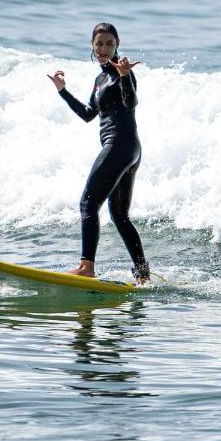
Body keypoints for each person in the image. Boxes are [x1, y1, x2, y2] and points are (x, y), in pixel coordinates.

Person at [48, 22, 150, 283]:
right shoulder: (100, 78)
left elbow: (131, 101)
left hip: (119, 146)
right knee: (119, 216)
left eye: (110, 44)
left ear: (117, 45)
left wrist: (126, 76)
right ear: (92, 46)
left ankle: (86, 267)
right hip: (130, 150)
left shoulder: (120, 73)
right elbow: (87, 115)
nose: (104, 49)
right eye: (100, 44)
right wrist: (62, 91)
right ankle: (142, 274)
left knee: (88, 203)